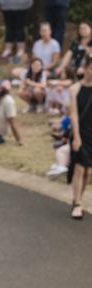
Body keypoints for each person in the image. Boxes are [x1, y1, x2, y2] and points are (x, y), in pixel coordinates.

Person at [69, 52, 92, 218]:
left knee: (88, 172)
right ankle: (77, 203)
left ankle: (79, 197)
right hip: (80, 132)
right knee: (79, 168)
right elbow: (74, 115)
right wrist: (76, 137)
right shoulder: (74, 89)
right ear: (85, 68)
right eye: (91, 68)